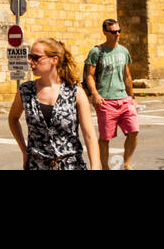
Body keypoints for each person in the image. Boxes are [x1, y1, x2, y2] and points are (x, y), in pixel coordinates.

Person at [7, 38, 100, 170]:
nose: (30, 61)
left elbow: (90, 136)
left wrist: (95, 167)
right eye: (30, 57)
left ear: (54, 60)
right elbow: (13, 119)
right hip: (36, 165)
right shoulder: (25, 91)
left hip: (71, 166)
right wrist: (25, 150)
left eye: (35, 57)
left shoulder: (75, 93)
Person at [84, 18, 138, 170]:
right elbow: (89, 75)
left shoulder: (124, 51)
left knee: (134, 130)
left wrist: (131, 96)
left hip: (124, 99)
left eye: (119, 31)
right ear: (105, 32)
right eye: (114, 32)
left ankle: (126, 163)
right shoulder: (96, 52)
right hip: (106, 101)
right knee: (105, 138)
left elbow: (127, 75)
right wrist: (95, 94)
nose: (118, 34)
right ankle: (105, 167)